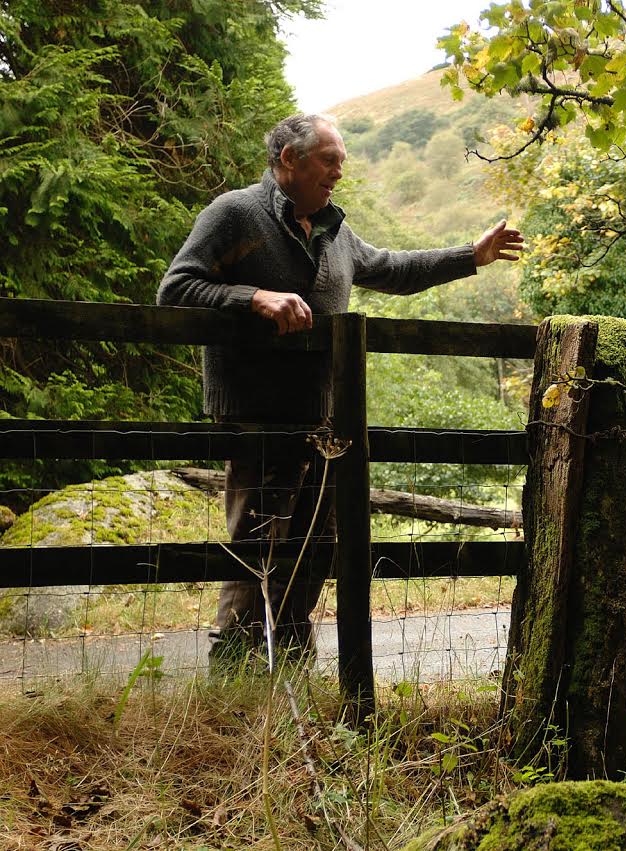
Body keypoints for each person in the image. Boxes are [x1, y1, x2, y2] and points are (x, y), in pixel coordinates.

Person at [156, 113, 524, 669]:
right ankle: (234, 669)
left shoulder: (334, 231)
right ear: (290, 160)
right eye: (330, 161)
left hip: (325, 420)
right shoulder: (235, 213)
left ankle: (292, 665)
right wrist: (255, 297)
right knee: (258, 542)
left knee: (316, 546)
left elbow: (391, 268)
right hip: (257, 416)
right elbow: (176, 287)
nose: (338, 173)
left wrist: (470, 256)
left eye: (341, 163)